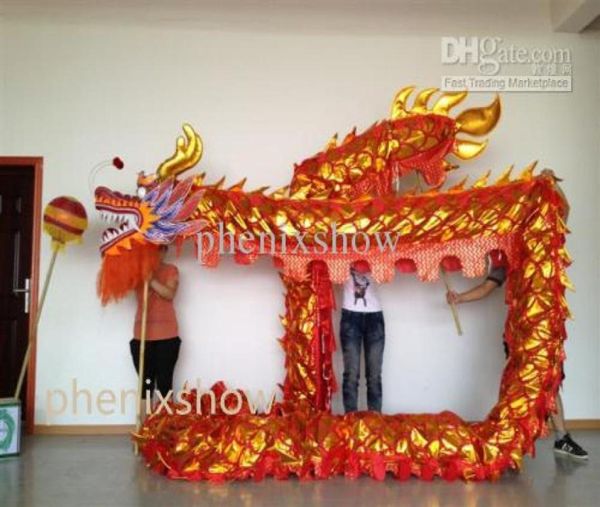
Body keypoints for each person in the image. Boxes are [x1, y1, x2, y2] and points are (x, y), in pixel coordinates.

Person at [446, 169, 588, 460]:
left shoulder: (543, 239)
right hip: (519, 330)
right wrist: (459, 297)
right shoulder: (507, 251)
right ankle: (506, 438)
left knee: (549, 380)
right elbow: (488, 287)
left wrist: (550, 186)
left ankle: (562, 437)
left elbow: (565, 210)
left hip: (544, 329)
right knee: (516, 380)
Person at [130, 245, 181, 413]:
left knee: (165, 384)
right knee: (146, 383)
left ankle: (164, 429)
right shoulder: (136, 271)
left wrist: (150, 279)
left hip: (167, 337)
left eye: (161, 249)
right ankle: (143, 427)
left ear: (166, 251)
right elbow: (122, 287)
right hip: (142, 336)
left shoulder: (171, 270)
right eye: (153, 249)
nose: (158, 253)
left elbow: (169, 294)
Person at [340, 260, 385, 413]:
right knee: (351, 375)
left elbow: (385, 273)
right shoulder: (343, 241)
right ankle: (350, 424)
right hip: (350, 315)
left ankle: (375, 423)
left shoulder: (379, 241)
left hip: (375, 316)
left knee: (374, 375)